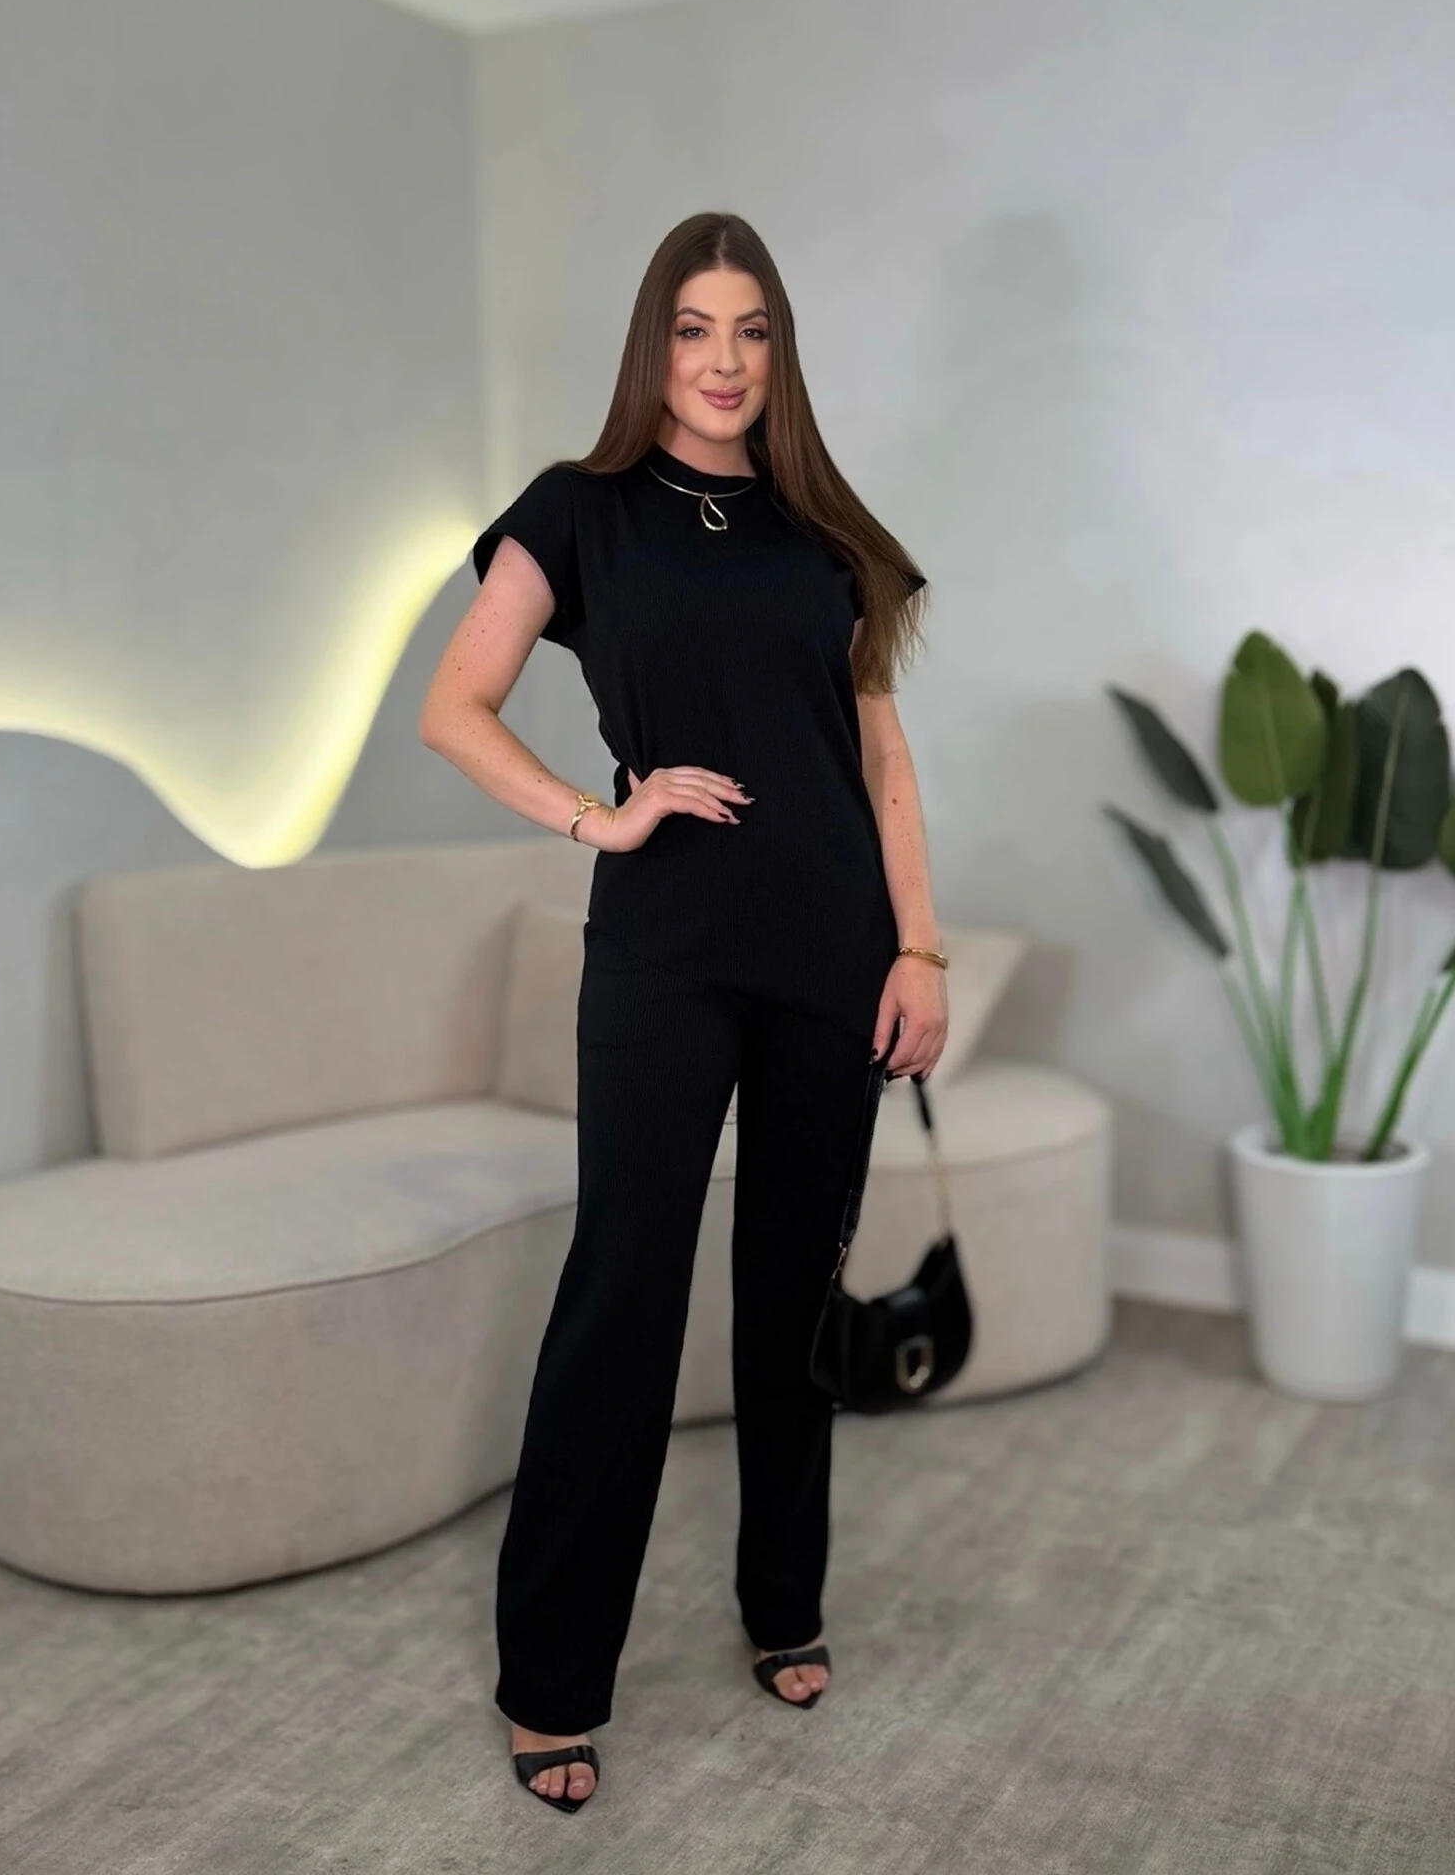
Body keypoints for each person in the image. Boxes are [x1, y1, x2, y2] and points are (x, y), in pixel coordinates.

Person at [418, 209, 948, 1814]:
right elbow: (454, 705)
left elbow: (880, 761)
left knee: (792, 1300)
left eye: (752, 330)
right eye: (694, 329)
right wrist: (599, 816)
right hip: (664, 954)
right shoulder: (577, 512)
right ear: (652, 345)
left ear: (779, 352)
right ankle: (550, 1679)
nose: (723, 361)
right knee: (623, 1297)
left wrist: (917, 952)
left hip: (830, 954)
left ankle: (781, 1603)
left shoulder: (824, 535)